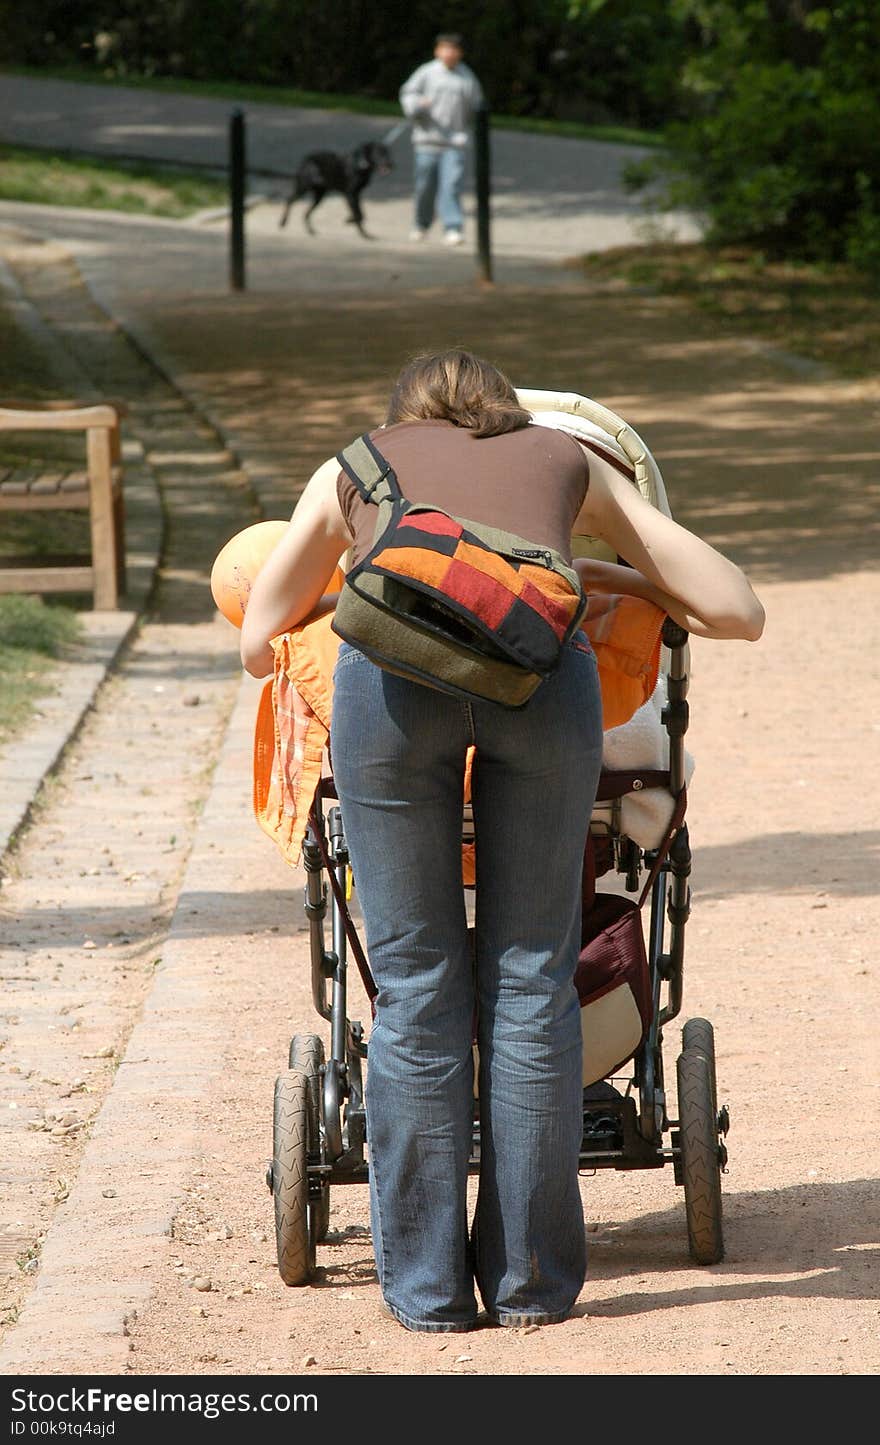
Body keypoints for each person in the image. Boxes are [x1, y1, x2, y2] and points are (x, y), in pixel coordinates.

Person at [240, 349, 764, 1333]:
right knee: (531, 973)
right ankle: (527, 1285)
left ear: (405, 415)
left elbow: (256, 631)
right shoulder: (566, 458)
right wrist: (591, 566)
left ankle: (429, 1293)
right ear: (507, 413)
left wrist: (366, 580)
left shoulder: (354, 464)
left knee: (414, 978)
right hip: (538, 681)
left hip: (390, 692)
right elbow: (737, 608)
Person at [399, 33, 484, 246]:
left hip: (454, 142)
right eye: (445, 48)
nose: (449, 53)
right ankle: (421, 224)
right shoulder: (427, 72)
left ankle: (452, 227)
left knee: (451, 186)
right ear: (438, 50)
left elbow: (477, 105)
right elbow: (408, 94)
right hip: (427, 141)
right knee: (425, 186)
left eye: (453, 49)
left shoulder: (466, 77)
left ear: (460, 53)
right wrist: (417, 105)